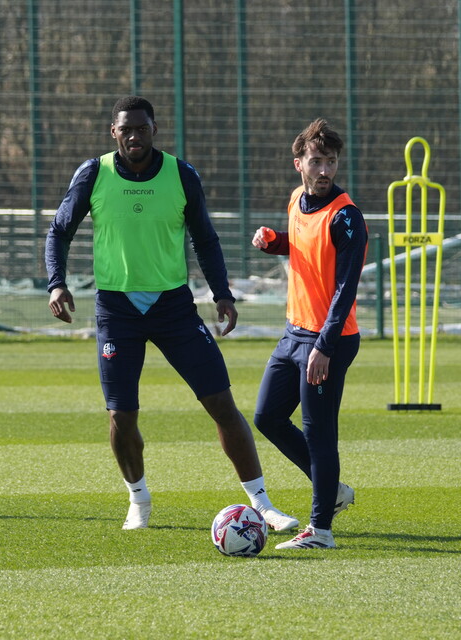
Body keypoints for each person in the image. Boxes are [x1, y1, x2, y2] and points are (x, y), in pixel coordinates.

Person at [45, 96, 298, 532]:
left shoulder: (181, 175)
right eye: (126, 129)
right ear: (113, 132)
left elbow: (205, 238)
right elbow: (59, 231)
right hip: (117, 310)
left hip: (174, 308)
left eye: (142, 128)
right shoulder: (94, 173)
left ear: (154, 130)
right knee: (121, 415)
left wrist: (223, 294)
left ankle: (262, 504)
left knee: (221, 403)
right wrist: (56, 282)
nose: (134, 136)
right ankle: (138, 499)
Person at [250, 118, 367, 549]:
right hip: (293, 333)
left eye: (331, 162)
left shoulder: (346, 217)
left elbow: (346, 288)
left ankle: (321, 530)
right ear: (298, 163)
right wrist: (274, 242)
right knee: (267, 416)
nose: (324, 170)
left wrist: (325, 346)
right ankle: (332, 491)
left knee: (319, 433)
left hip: (329, 341)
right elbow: (301, 245)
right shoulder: (297, 200)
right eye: (316, 161)